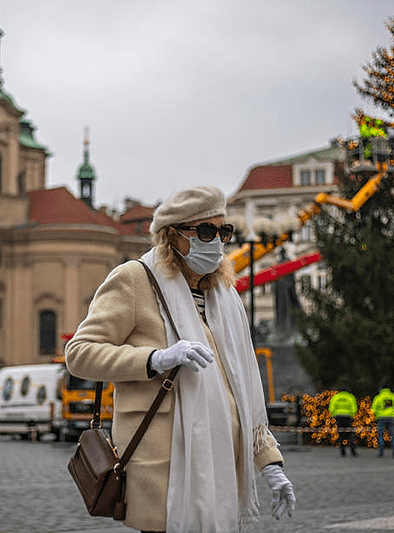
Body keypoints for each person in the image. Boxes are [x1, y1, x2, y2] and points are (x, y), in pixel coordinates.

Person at [66, 186, 295, 533]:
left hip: (221, 470)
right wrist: (154, 359)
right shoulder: (134, 279)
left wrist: (270, 464)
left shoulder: (225, 296)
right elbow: (79, 353)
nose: (216, 241)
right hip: (163, 474)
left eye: (223, 232)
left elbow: (242, 393)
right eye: (205, 231)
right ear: (172, 235)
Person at [371, 385, 394, 457]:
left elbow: (373, 409)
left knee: (381, 436)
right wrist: (393, 414)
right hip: (391, 418)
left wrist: (376, 415)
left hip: (381, 418)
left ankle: (381, 452)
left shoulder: (378, 397)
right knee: (392, 435)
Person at [329, 388, 358, 457]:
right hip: (348, 417)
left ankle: (343, 452)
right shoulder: (350, 397)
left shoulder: (335, 397)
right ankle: (353, 452)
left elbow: (331, 408)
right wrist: (352, 416)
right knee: (350, 435)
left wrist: (334, 416)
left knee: (341, 435)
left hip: (339, 417)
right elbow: (354, 408)